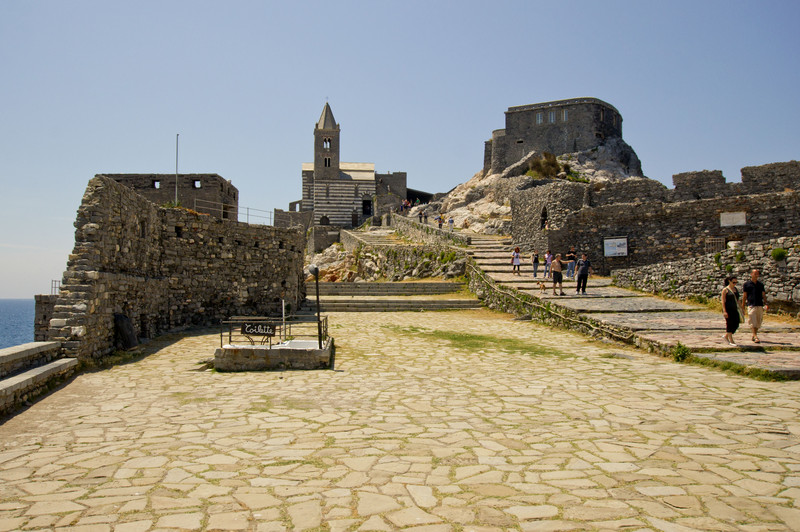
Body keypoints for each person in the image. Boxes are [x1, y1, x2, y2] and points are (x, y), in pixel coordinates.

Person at [742, 269, 769, 343]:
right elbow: (745, 296)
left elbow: (763, 294)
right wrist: (743, 306)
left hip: (759, 304)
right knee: (752, 320)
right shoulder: (746, 284)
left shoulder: (760, 285)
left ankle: (754, 335)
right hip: (751, 304)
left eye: (757, 274)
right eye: (755, 274)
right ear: (751, 274)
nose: (756, 275)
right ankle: (755, 336)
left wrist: (766, 303)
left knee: (758, 321)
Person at [721, 276, 741, 346]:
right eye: (733, 282)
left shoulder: (735, 289)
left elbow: (738, 300)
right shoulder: (725, 290)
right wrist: (724, 311)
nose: (735, 284)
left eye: (736, 282)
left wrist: (741, 309)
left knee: (736, 323)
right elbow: (723, 301)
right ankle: (731, 340)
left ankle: (726, 335)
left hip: (735, 309)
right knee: (729, 324)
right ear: (729, 281)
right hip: (728, 309)